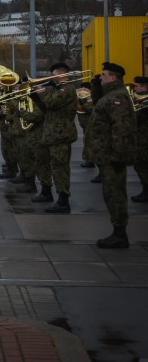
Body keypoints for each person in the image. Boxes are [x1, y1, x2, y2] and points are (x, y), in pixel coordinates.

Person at [87, 62, 137, 248]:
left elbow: (121, 130)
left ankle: (120, 234)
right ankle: (117, 231)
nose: (101, 77)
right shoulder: (110, 95)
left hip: (112, 156)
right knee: (110, 193)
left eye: (104, 75)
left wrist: (118, 156)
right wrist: (95, 86)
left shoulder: (118, 98)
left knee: (115, 194)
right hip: (106, 154)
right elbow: (98, 103)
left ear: (113, 77)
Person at [30, 62, 79, 213]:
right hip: (53, 134)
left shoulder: (67, 88)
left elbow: (52, 102)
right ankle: (57, 197)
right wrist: (36, 97)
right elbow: (47, 108)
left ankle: (63, 201)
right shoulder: (59, 88)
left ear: (60, 73)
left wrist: (42, 91)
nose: (52, 77)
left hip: (61, 134)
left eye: (53, 74)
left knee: (60, 168)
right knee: (55, 167)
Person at [130, 76, 148, 203]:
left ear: (144, 87)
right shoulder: (139, 100)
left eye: (137, 86)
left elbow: (137, 119)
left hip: (144, 140)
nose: (135, 88)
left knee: (143, 166)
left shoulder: (144, 102)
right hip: (140, 139)